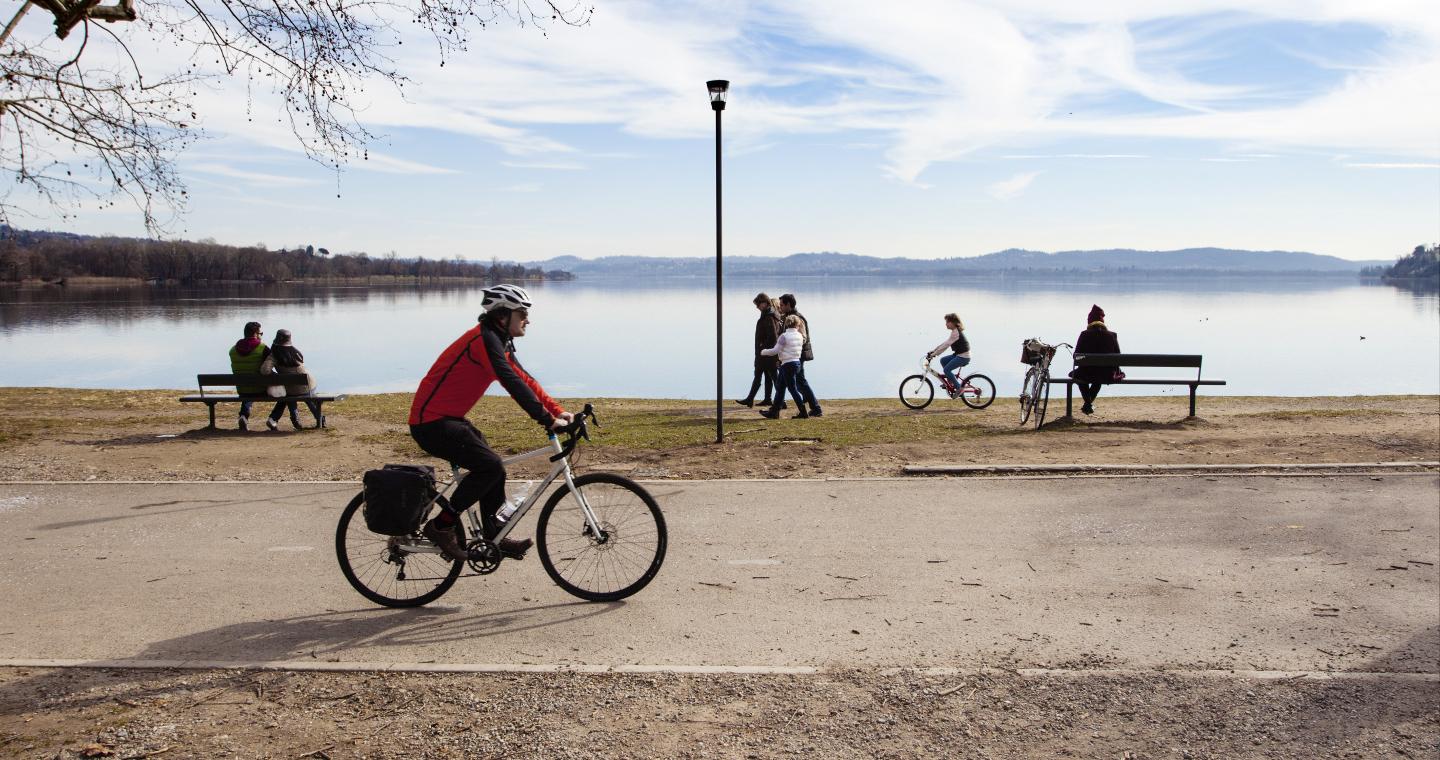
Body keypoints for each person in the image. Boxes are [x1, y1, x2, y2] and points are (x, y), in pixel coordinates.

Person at [408, 284, 572, 562]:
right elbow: (510, 383)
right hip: (431, 424)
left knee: (493, 467)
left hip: (448, 420)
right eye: (522, 313)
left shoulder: (496, 340)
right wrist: (546, 420)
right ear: (502, 315)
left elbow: (525, 380)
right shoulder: (483, 341)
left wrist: (558, 410)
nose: (527, 320)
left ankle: (493, 532)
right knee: (489, 466)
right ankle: (442, 526)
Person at [261, 329, 322, 431]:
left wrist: (276, 376)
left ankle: (293, 420)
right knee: (307, 396)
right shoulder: (296, 353)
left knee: (290, 394)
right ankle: (319, 418)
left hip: (291, 388)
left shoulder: (274, 355)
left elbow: (264, 370)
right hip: (308, 384)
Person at [775, 293, 822, 417]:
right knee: (783, 383)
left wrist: (789, 348)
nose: (780, 307)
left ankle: (815, 408)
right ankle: (774, 411)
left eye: (782, 305)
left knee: (800, 382)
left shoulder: (797, 318)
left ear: (788, 305)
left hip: (796, 356)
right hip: (790, 357)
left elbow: (803, 338)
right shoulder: (788, 317)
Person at [1071, 304, 1123, 415]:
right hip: (1106, 373)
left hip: (1087, 372)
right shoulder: (1112, 335)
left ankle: (1088, 404)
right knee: (1098, 378)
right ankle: (1088, 405)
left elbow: (1076, 356)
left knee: (1081, 377)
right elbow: (1118, 356)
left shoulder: (1084, 335)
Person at [736, 292, 782, 408]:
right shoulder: (768, 314)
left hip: (766, 354)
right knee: (769, 376)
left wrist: (762, 347)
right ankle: (766, 399)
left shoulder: (769, 317)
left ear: (765, 303)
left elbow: (773, 337)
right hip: (766, 353)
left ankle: (752, 399)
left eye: (758, 304)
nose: (757, 307)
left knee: (763, 375)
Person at [758, 315, 807, 419]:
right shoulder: (799, 336)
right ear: (797, 324)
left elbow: (775, 351)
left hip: (787, 365)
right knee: (780, 388)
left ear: (786, 324)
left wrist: (763, 352)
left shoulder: (784, 336)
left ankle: (803, 412)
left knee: (792, 389)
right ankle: (774, 412)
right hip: (796, 363)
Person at [228, 321, 271, 431]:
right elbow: (270, 367)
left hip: (242, 389)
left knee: (248, 388)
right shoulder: (263, 348)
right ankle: (273, 419)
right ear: (256, 334)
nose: (261, 336)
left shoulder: (233, 350)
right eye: (261, 333)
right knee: (259, 387)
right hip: (260, 389)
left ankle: (244, 416)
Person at [926, 313, 971, 398]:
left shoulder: (956, 333)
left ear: (953, 322)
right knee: (943, 360)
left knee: (947, 370)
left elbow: (946, 346)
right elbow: (945, 343)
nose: (946, 324)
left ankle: (959, 388)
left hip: (963, 357)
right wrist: (934, 351)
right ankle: (950, 382)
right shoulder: (954, 331)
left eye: (947, 322)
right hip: (959, 355)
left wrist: (934, 354)